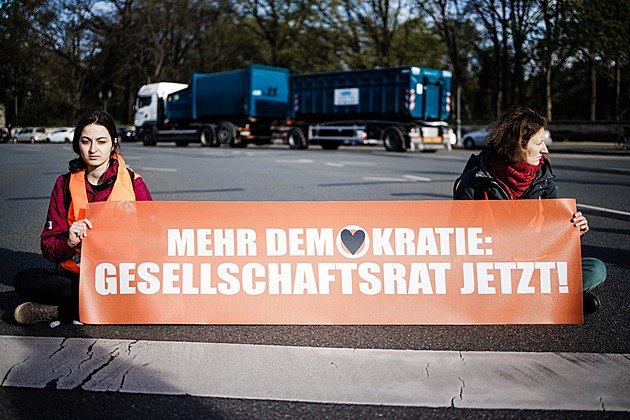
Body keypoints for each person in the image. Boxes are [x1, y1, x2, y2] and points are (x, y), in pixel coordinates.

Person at [453, 106, 606, 315]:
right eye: (539, 143)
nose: (545, 150)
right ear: (518, 145)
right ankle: (554, 299)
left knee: (595, 269)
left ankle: (530, 298)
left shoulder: (543, 178)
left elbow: (558, 236)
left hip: (533, 266)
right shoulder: (475, 181)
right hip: (492, 270)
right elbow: (456, 239)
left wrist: (574, 229)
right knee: (461, 276)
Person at [13, 109, 153, 324]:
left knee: (151, 288)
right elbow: (49, 247)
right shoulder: (64, 184)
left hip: (123, 276)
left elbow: (156, 237)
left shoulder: (134, 182)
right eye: (86, 141)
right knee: (24, 281)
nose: (93, 149)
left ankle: (62, 311)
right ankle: (105, 306)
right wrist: (69, 242)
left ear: (113, 143)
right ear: (78, 144)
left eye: (101, 141)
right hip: (80, 274)